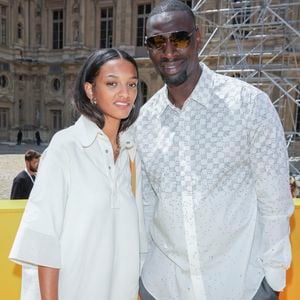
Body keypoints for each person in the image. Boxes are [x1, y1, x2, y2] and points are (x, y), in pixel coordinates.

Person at [135, 1, 294, 299]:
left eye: (179, 38)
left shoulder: (249, 105)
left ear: (198, 38)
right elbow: (147, 204)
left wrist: (272, 281)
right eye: (157, 42)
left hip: (238, 287)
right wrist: (144, 276)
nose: (168, 51)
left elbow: (275, 202)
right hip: (165, 287)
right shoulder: (146, 120)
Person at [9, 48, 147, 300]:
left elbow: (134, 245)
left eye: (132, 84)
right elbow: (44, 240)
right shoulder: (66, 147)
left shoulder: (131, 154)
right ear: (90, 90)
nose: (125, 93)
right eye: (112, 83)